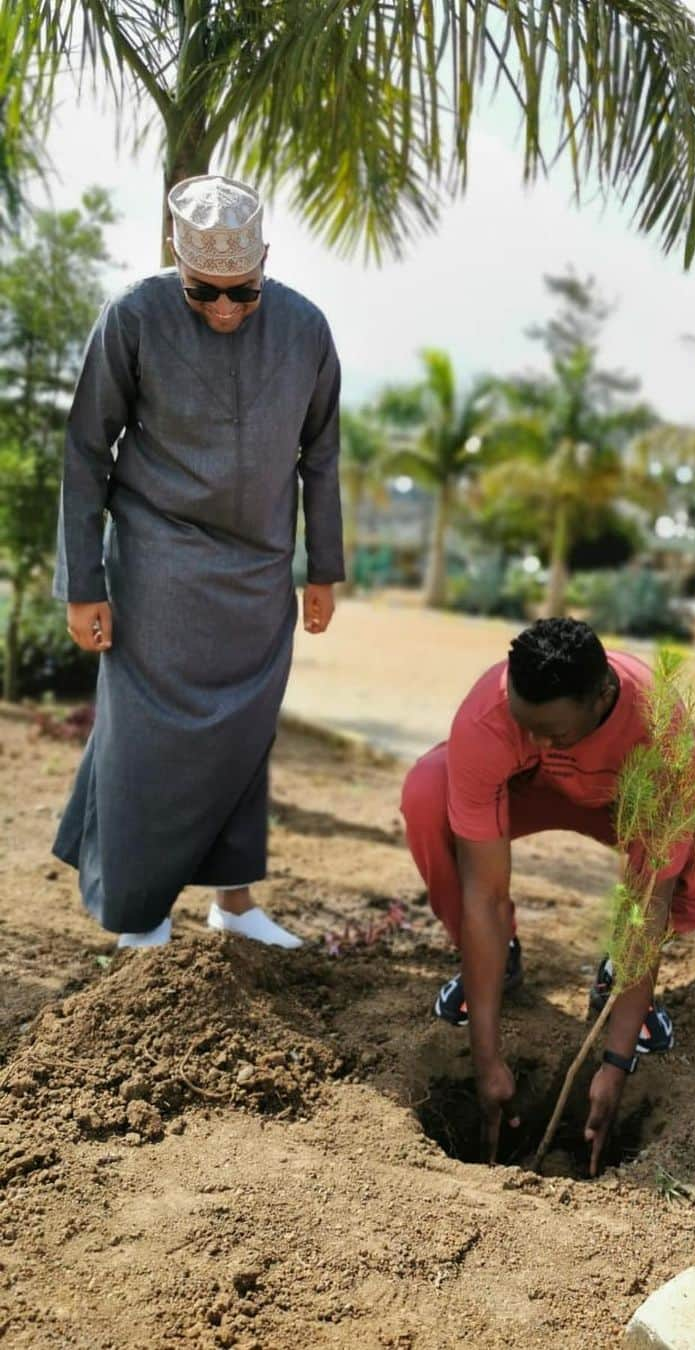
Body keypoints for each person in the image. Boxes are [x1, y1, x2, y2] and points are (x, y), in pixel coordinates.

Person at [53, 174, 344, 949]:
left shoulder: (307, 328)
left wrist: (323, 569)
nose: (222, 308)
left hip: (259, 574)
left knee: (243, 739)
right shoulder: (133, 315)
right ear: (174, 262)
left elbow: (321, 455)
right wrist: (83, 584)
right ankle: (138, 914)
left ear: (266, 265)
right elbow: (87, 451)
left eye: (241, 293)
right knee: (146, 741)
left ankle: (235, 904)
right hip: (157, 561)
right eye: (203, 291)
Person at [400, 618, 695, 1167]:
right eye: (523, 723)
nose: (534, 740)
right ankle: (492, 963)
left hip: (620, 806)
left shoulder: (663, 737)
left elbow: (646, 902)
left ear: (602, 696)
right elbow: (484, 895)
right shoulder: (487, 719)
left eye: (552, 731)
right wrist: (487, 1061)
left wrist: (615, 1061)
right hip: (525, 795)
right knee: (426, 790)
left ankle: (620, 980)